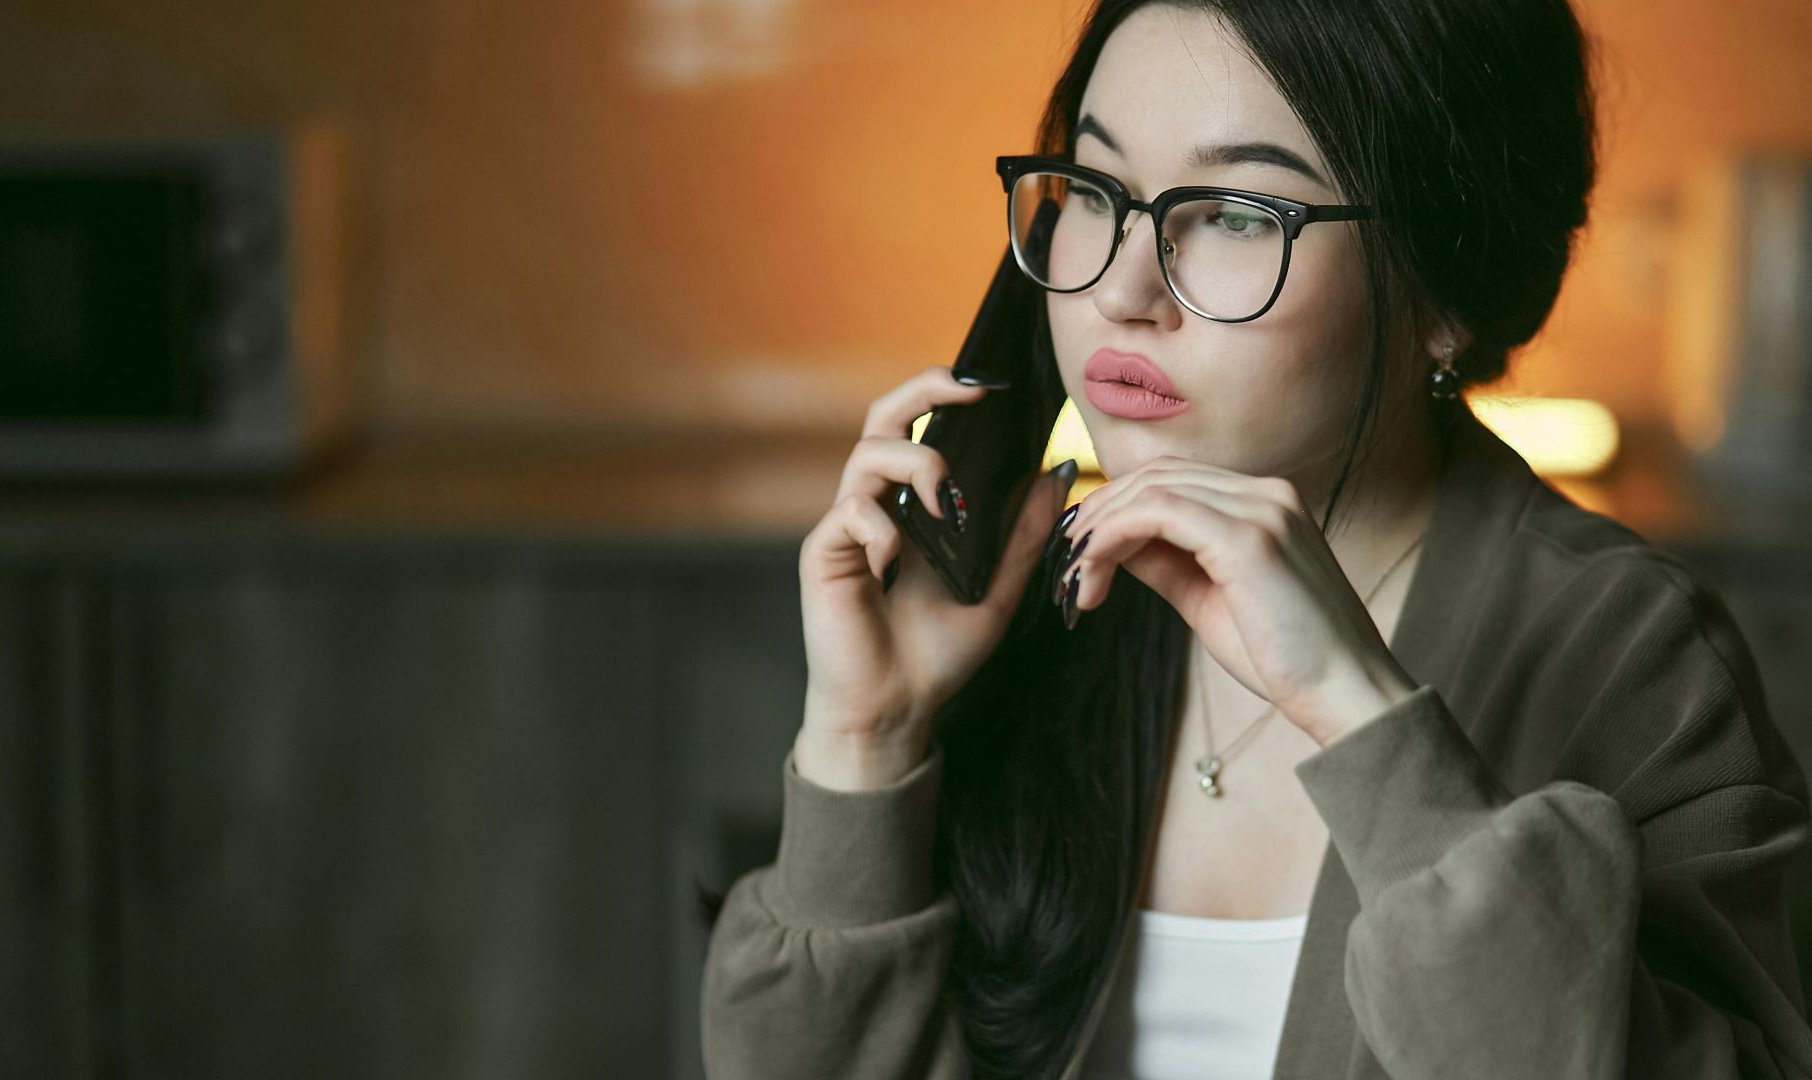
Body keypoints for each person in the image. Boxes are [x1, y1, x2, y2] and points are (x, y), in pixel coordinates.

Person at [699, 1, 1812, 1077]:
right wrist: (868, 740)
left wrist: (1364, 719)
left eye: (1237, 214)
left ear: (1445, 290)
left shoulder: (1628, 650)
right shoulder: (1034, 597)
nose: (1124, 290)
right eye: (1095, 189)